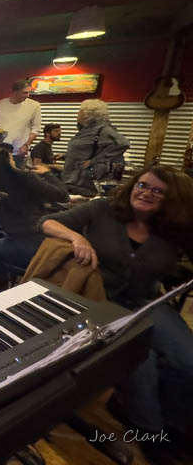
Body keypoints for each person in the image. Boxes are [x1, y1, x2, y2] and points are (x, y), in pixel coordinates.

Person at [40, 166, 193, 454]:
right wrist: (78, 238)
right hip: (99, 302)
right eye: (143, 185)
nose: (146, 192)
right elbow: (47, 222)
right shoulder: (103, 209)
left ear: (172, 200)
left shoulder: (176, 228)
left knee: (188, 359)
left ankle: (176, 425)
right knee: (140, 361)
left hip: (146, 301)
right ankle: (151, 433)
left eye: (158, 190)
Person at [0, 146, 68, 288]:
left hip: (27, 242)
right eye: (11, 158)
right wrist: (48, 173)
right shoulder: (25, 178)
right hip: (38, 242)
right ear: (6, 163)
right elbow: (63, 195)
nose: (14, 161)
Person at [62, 99, 129, 196]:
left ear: (87, 114)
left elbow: (122, 144)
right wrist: (66, 156)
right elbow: (88, 149)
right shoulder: (87, 130)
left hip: (84, 184)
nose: (77, 114)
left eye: (80, 111)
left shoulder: (103, 129)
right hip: (73, 180)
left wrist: (93, 161)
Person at [0, 80, 41, 167]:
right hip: (0, 150)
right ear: (14, 92)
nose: (28, 95)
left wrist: (26, 145)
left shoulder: (34, 105)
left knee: (16, 178)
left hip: (19, 152)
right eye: (24, 93)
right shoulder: (0, 104)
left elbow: (36, 129)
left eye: (29, 92)